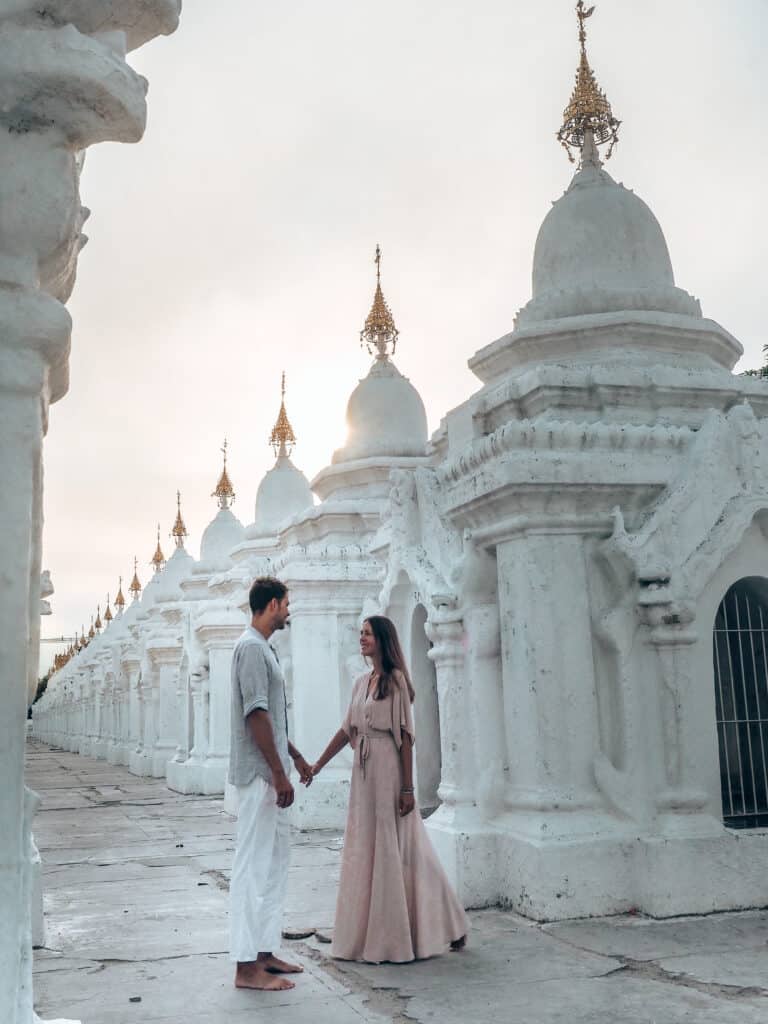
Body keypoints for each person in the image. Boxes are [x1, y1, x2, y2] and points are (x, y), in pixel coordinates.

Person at [311, 615, 468, 963]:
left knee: (405, 848)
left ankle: (447, 923)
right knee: (368, 848)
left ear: (382, 640)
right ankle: (373, 933)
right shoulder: (361, 682)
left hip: (389, 772)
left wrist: (408, 789)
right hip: (363, 775)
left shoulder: (396, 682)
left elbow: (406, 739)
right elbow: (345, 730)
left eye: (367, 634)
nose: (362, 639)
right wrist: (317, 765)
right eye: (360, 634)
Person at [228, 576, 313, 991]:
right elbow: (255, 715)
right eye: (286, 604)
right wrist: (279, 773)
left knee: (276, 863)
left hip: (275, 770)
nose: (289, 611)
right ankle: (245, 967)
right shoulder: (249, 648)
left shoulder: (264, 649)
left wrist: (294, 757)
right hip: (261, 776)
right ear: (273, 604)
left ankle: (264, 951)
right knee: (251, 867)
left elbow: (272, 717)